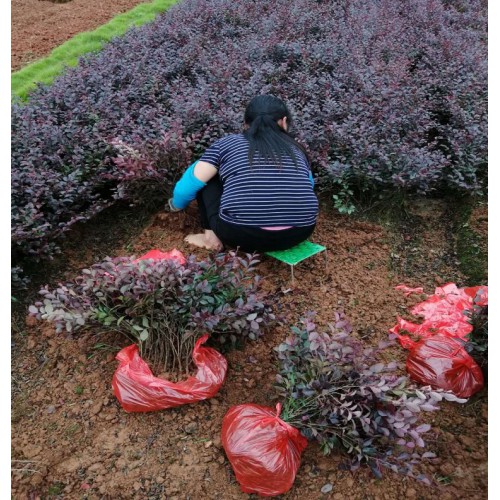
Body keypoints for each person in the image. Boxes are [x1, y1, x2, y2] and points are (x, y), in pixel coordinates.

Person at [167, 95, 319, 253]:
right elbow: (309, 186)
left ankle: (210, 239)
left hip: (240, 236)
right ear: (284, 121)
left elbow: (186, 187)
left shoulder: (227, 144)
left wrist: (175, 206)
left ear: (246, 124)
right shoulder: (296, 149)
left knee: (207, 177)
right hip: (299, 233)